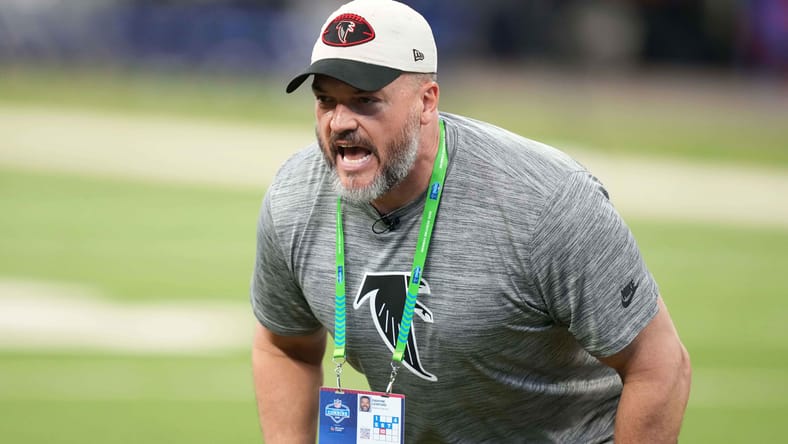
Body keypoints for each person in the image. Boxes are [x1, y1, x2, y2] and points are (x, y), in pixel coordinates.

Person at [250, 0, 692, 442]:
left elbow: (659, 365)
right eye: (326, 100)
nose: (340, 122)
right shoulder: (297, 197)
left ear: (426, 101)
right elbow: (284, 346)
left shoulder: (543, 201)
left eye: (365, 101)